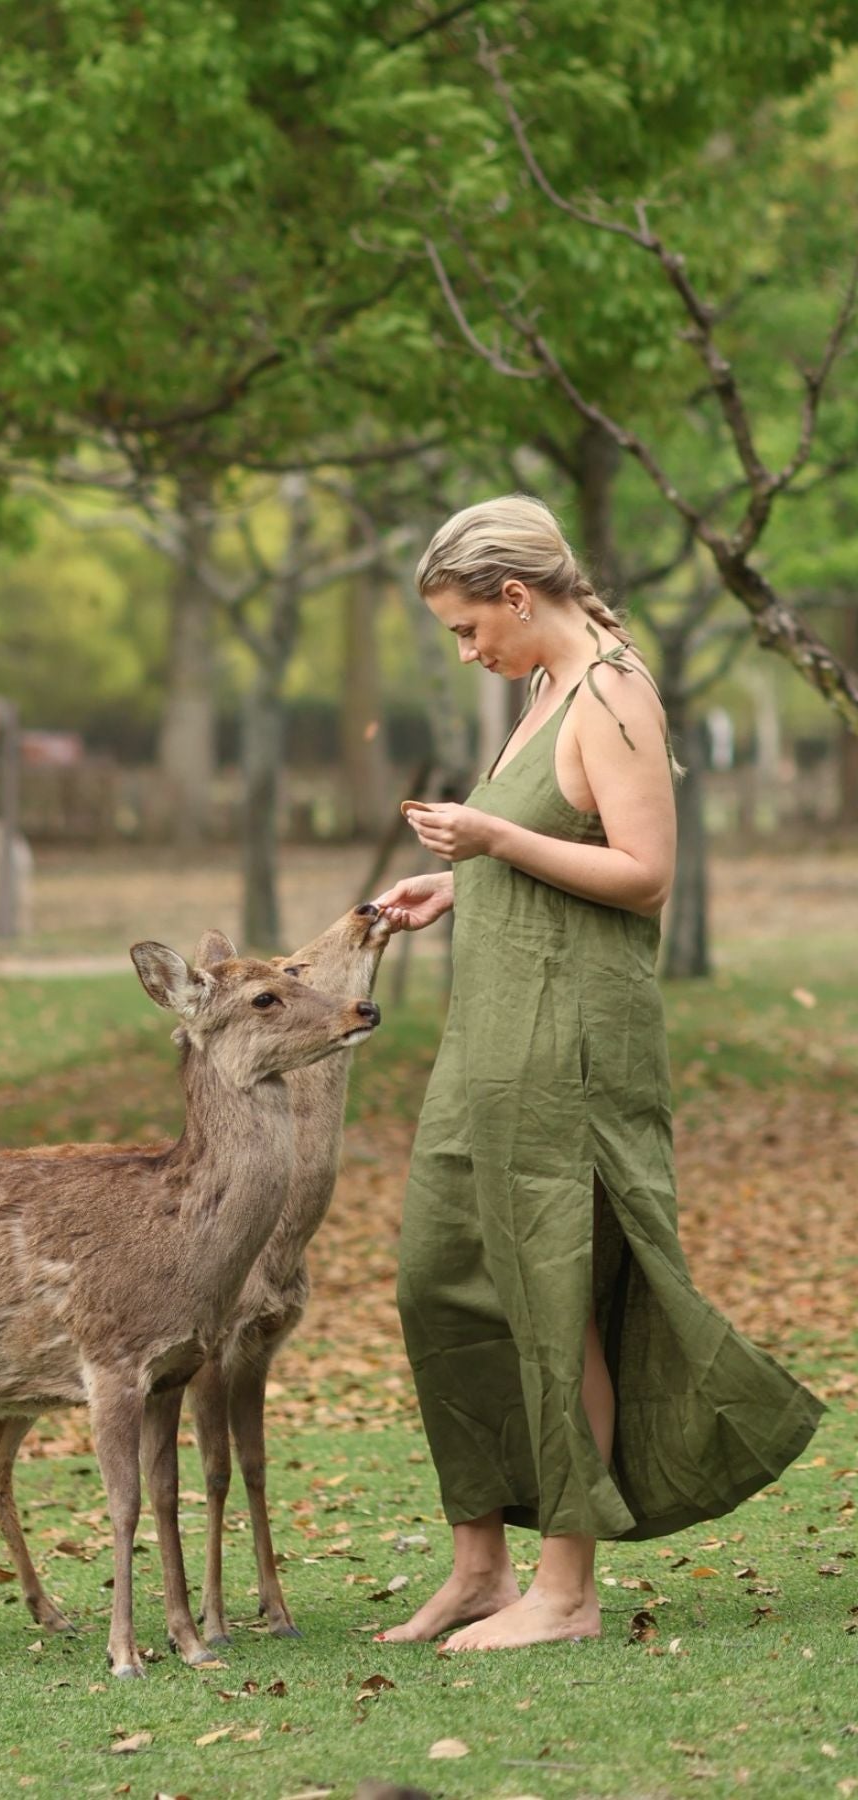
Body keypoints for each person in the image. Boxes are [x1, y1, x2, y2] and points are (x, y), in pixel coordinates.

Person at [373, 495, 822, 1654]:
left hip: (571, 1034)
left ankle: (564, 1591)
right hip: (491, 1031)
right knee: (441, 1277)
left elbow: (645, 873)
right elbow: (541, 839)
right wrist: (457, 884)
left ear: (518, 596)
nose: (470, 652)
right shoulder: (539, 692)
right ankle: (480, 1568)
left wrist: (491, 839)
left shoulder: (613, 690)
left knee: (551, 1292)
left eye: (472, 629)